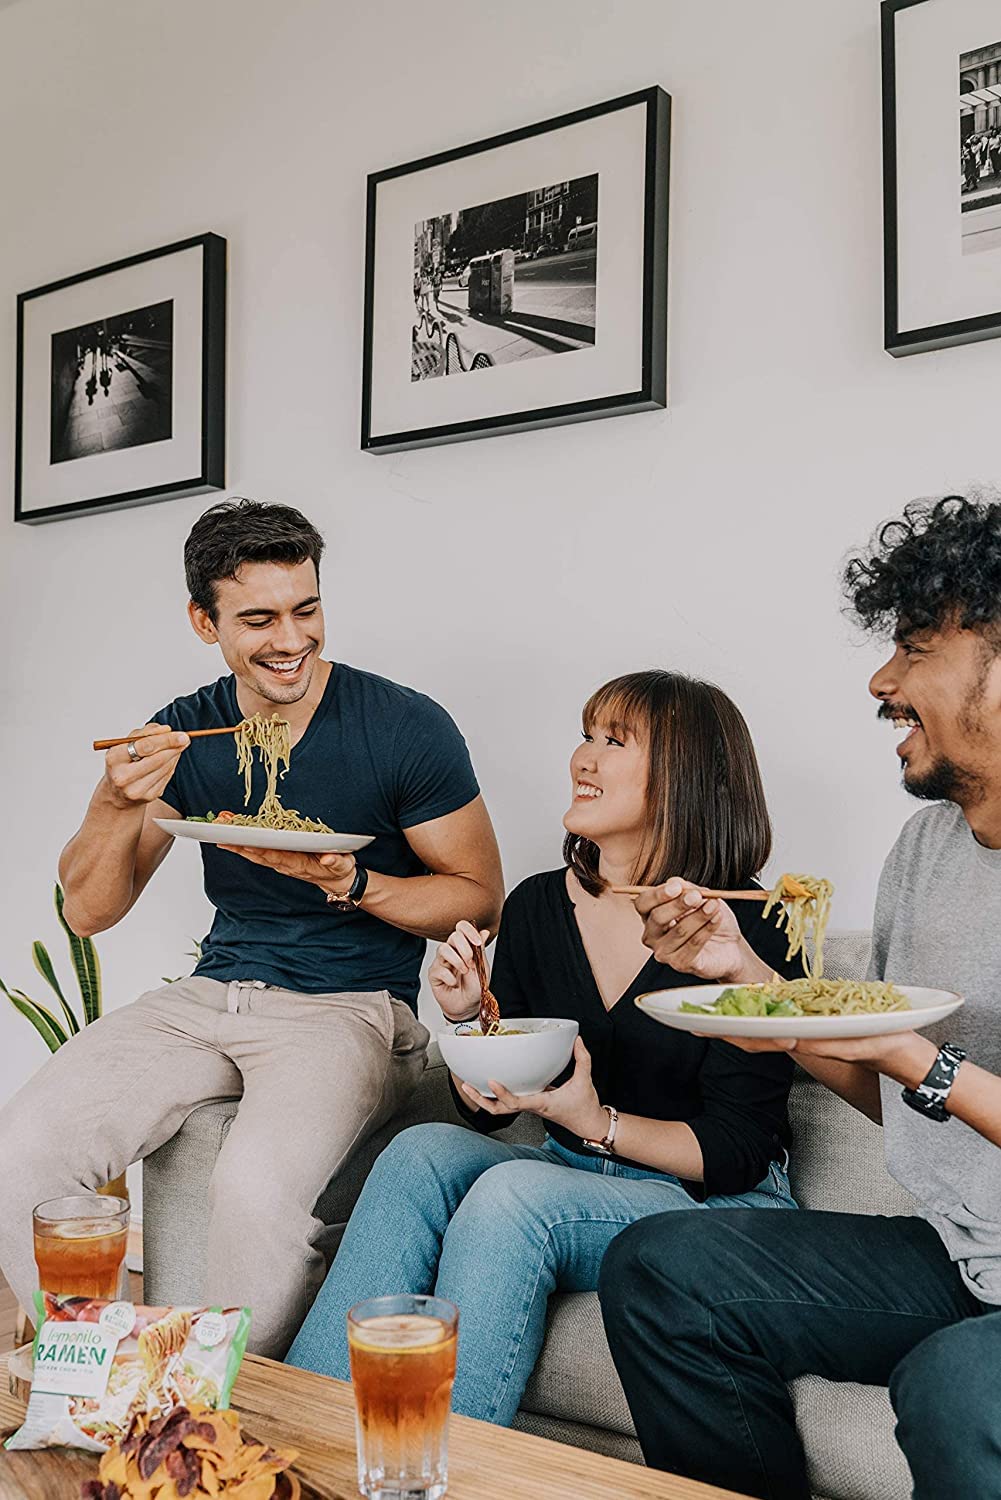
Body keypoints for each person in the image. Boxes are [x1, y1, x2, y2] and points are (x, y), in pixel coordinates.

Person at [0, 497, 503, 1357]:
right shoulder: (190, 730)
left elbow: (478, 897)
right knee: (22, 1153)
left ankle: (232, 1425)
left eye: (306, 610)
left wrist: (355, 880)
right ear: (205, 621)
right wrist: (113, 800)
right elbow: (90, 909)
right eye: (259, 618)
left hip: (347, 1007)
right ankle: (92, 1381)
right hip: (208, 994)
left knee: (256, 1193)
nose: (290, 640)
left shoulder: (402, 725)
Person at [599, 497, 1001, 1500]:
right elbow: (890, 1089)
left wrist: (923, 1061)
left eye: (912, 649)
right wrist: (745, 976)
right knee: (660, 1268)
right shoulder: (924, 849)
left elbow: (915, 1067)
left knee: (954, 1384)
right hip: (968, 1257)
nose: (879, 680)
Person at [285, 670, 801, 1423]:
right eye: (586, 735)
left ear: (684, 777)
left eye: (612, 741)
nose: (581, 759)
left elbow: (738, 1151)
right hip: (573, 1171)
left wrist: (598, 1123)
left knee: (510, 1196)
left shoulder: (747, 931)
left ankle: (448, 1470)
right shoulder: (535, 903)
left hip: (711, 1201)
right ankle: (302, 1442)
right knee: (419, 1153)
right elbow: (498, 1109)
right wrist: (469, 1026)